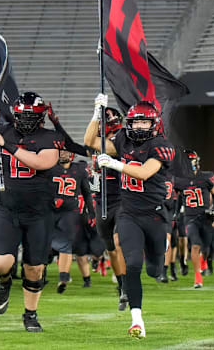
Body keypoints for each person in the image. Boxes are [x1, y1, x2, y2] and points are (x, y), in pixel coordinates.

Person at [0, 92, 64, 333]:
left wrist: (7, 145)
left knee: (34, 268)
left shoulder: (50, 138)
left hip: (39, 210)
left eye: (32, 115)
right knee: (0, 263)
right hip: (7, 207)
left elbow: (41, 162)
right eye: (23, 115)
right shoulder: (5, 132)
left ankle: (30, 315)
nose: (26, 120)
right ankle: (4, 282)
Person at [84, 94, 175, 339]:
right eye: (135, 122)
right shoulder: (124, 139)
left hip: (155, 213)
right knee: (133, 265)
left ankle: (160, 252)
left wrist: (114, 165)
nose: (138, 127)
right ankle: (137, 320)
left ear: (153, 124)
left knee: (155, 270)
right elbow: (91, 140)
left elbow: (144, 173)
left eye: (144, 123)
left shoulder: (162, 145)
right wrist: (97, 112)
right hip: (129, 213)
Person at [88, 107, 129, 310]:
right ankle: (122, 286)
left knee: (118, 241)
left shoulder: (122, 139)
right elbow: (87, 142)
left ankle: (126, 287)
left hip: (121, 198)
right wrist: (96, 113)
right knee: (111, 250)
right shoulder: (95, 138)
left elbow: (97, 144)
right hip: (101, 200)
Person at [174, 150, 214, 288]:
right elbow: (180, 196)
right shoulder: (180, 180)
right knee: (195, 245)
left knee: (206, 246)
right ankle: (197, 278)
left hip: (205, 216)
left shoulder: (205, 177)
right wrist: (176, 212)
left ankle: (204, 261)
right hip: (190, 217)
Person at [50, 151, 91, 294]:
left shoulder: (78, 170)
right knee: (40, 244)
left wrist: (91, 212)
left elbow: (86, 192)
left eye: (66, 152)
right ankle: (37, 276)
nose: (63, 155)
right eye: (61, 152)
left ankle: (64, 277)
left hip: (69, 212)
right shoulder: (49, 167)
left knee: (66, 244)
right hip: (49, 210)